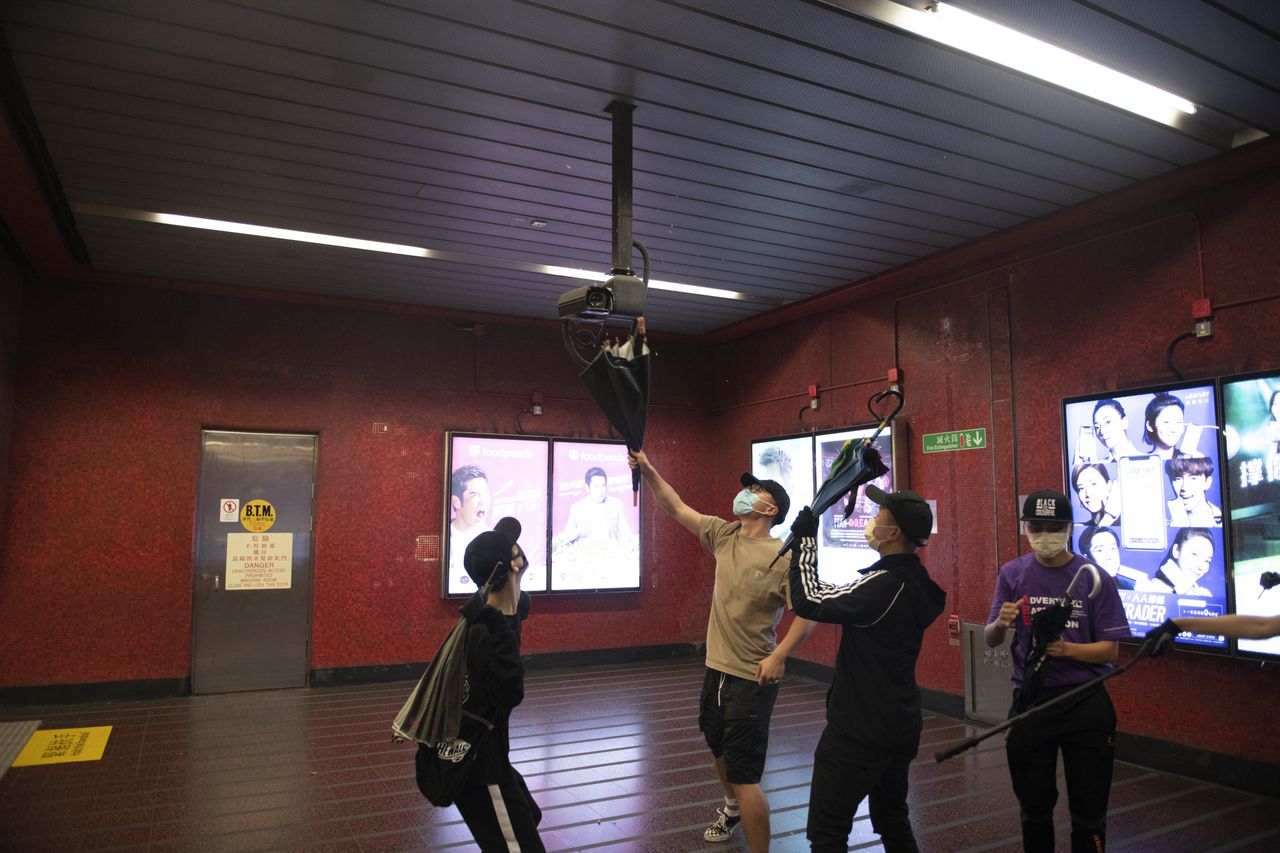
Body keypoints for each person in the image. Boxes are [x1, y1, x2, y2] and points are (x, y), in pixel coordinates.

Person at [629, 450, 816, 851]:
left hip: (752, 676)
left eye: (754, 490)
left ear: (769, 508)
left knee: (745, 772)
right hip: (716, 668)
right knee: (717, 743)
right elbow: (674, 506)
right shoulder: (724, 533)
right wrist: (647, 469)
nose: (745, 493)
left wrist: (779, 655)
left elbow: (807, 616)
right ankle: (730, 806)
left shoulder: (784, 557)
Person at [786, 487, 945, 853]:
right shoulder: (914, 582)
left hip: (858, 731)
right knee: (893, 820)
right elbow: (843, 596)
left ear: (894, 534)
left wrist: (805, 543)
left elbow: (810, 601)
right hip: (899, 723)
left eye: (880, 515)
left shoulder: (885, 585)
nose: (872, 520)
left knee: (827, 831)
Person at [985, 490, 1130, 853]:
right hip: (1032, 703)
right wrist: (1002, 624)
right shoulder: (1012, 573)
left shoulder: (1094, 576)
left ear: (1068, 528)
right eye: (1036, 526)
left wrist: (1068, 649)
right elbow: (990, 639)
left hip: (1086, 703)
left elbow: (1110, 650)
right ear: (1026, 528)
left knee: (1089, 810)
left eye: (1053, 527)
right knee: (1034, 809)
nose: (1044, 535)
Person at [450, 517, 544, 851]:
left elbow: (519, 602)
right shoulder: (487, 632)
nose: (522, 554)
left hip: (493, 756)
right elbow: (509, 693)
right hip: (480, 768)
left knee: (529, 816)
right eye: (516, 551)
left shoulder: (508, 608)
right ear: (510, 567)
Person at [555, 466, 633, 547]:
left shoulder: (616, 504)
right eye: (596, 486)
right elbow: (568, 537)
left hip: (611, 553)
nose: (600, 491)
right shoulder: (577, 508)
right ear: (587, 488)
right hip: (587, 554)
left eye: (603, 486)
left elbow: (626, 533)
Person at [448, 465, 491, 582]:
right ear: (456, 502)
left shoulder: (493, 539)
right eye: (475, 495)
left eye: (486, 493)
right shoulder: (443, 538)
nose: (484, 501)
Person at [1145, 527, 1214, 596]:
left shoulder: (1203, 594)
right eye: (1194, 554)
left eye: (1207, 561)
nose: (1200, 567)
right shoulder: (1155, 590)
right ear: (1176, 551)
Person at [1077, 526, 1146, 591]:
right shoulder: (1078, 589)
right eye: (1100, 550)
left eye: (1113, 548)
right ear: (1086, 558)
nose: (1110, 556)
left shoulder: (1130, 588)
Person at [1165, 456, 1222, 527]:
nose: (1184, 487)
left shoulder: (1221, 519)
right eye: (1178, 479)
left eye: (1193, 478)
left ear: (1207, 482)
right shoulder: (1166, 523)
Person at [1142, 392, 1196, 459]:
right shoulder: (1142, 464)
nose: (1174, 430)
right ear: (1150, 426)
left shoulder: (1192, 459)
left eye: (1179, 422)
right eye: (1166, 422)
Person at [1070, 462, 1119, 527]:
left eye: (1094, 484)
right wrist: (1108, 518)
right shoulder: (1078, 527)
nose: (1088, 493)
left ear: (1109, 486)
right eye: (1081, 488)